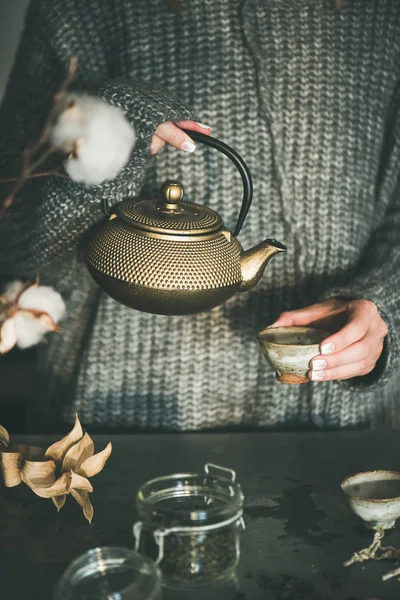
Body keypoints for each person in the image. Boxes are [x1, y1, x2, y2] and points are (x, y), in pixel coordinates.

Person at [0, 0, 398, 433]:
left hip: (338, 427)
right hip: (120, 420)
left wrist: (386, 305)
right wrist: (104, 139)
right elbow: (16, 240)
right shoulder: (85, 9)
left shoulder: (379, 13)